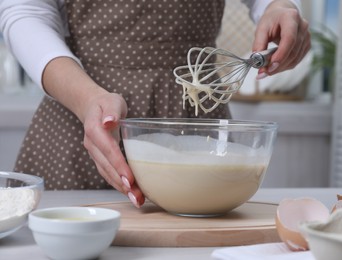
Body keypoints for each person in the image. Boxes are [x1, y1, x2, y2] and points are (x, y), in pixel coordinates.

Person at [0, 0, 310, 208]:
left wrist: (279, 6)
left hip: (197, 113)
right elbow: (24, 11)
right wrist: (87, 99)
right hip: (82, 117)